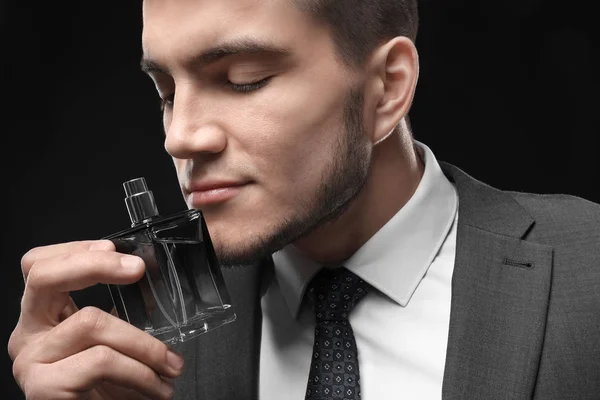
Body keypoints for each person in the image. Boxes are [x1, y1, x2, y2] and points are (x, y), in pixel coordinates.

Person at [8, 0, 600, 399]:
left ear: (388, 88)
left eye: (243, 79)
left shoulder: (588, 272)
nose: (179, 136)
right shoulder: (132, 349)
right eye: (164, 92)